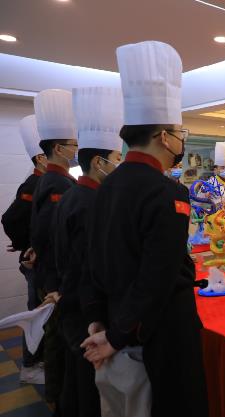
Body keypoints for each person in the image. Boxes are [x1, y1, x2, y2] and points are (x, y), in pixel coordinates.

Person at [80, 41, 207, 417]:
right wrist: (118, 337)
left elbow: (93, 259)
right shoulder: (168, 192)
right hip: (161, 332)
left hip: (117, 317)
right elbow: (157, 277)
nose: (182, 140)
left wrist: (98, 319)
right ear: (164, 136)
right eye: (179, 132)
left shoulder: (105, 188)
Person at [53, 87, 123, 417]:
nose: (120, 165)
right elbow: (90, 267)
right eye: (118, 159)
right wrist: (98, 317)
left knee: (75, 384)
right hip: (85, 311)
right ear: (99, 162)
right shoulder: (92, 204)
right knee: (89, 391)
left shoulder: (72, 195)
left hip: (71, 303)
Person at [30, 88, 78, 406]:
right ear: (59, 148)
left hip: (51, 273)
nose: (77, 149)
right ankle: (57, 398)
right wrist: (56, 284)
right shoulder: (58, 184)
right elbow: (52, 236)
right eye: (73, 144)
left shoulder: (50, 180)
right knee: (59, 339)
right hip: (56, 277)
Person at [1, 115, 47, 384]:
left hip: (38, 257)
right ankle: (30, 365)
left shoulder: (46, 181)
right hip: (34, 261)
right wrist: (24, 242)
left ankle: (39, 360)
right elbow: (10, 218)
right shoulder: (34, 184)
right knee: (36, 313)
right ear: (41, 158)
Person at [204, 141, 225, 208]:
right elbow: (200, 203)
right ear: (216, 169)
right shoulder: (209, 183)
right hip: (214, 213)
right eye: (222, 167)